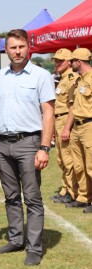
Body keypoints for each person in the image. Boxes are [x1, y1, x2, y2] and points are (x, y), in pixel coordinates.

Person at [0, 29, 55, 266]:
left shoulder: (41, 76)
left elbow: (48, 113)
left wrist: (44, 147)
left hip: (29, 143)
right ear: (6, 50)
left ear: (28, 48)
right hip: (2, 143)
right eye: (12, 47)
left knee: (32, 197)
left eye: (21, 47)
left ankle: (34, 248)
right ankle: (16, 239)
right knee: (11, 196)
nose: (17, 51)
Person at [49, 48, 78, 205]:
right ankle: (65, 188)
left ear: (69, 62)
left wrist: (67, 127)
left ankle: (72, 191)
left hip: (66, 120)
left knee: (68, 159)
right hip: (58, 120)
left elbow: (72, 106)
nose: (57, 63)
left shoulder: (72, 78)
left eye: (60, 60)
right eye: (56, 60)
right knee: (61, 158)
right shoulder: (62, 79)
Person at [67, 48, 92, 213]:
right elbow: (74, 106)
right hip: (77, 126)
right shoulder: (79, 81)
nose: (70, 64)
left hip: (89, 125)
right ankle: (84, 197)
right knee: (79, 165)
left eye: (72, 61)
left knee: (91, 165)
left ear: (79, 62)